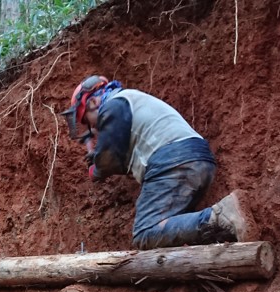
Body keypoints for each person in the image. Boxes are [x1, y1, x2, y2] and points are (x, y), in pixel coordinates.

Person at [61, 75, 253, 250]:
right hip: (197, 159)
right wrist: (101, 158)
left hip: (173, 161)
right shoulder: (130, 101)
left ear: (94, 101)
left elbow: (109, 160)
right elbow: (122, 157)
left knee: (146, 231)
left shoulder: (113, 105)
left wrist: (96, 169)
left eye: (89, 120)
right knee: (169, 226)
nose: (93, 127)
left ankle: (220, 216)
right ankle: (223, 236)